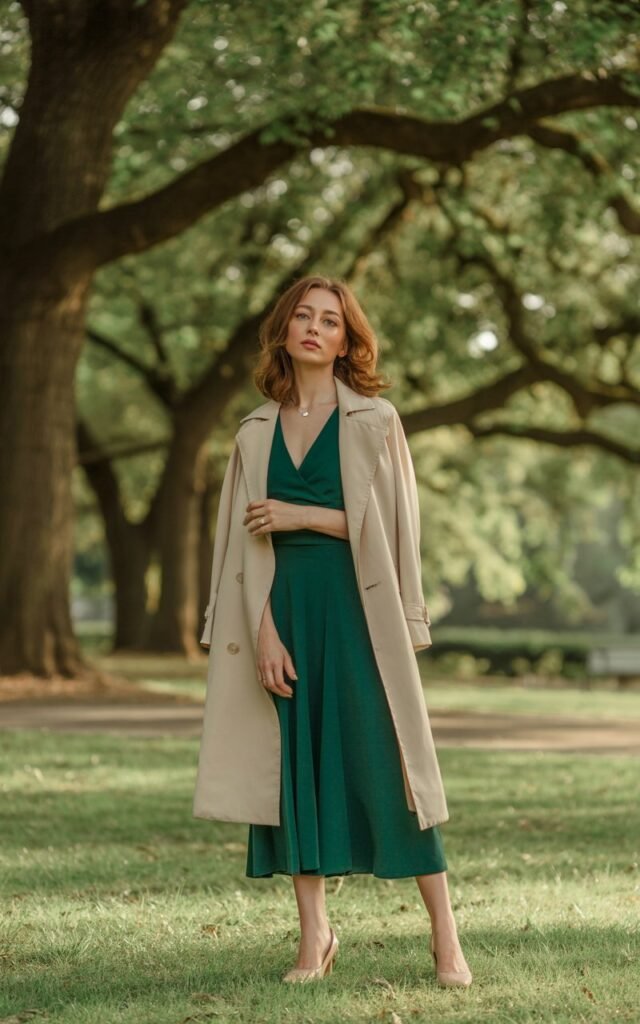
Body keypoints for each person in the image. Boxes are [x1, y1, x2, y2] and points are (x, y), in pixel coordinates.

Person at [193, 274, 472, 987]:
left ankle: (447, 937)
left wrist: (303, 515)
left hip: (359, 616)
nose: (315, 328)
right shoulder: (253, 434)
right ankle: (314, 936)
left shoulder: (377, 421)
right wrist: (261, 630)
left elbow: (393, 534)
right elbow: (235, 553)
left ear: (348, 340)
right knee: (294, 768)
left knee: (392, 767)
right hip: (283, 612)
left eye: (331, 321)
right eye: (304, 317)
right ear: (285, 329)